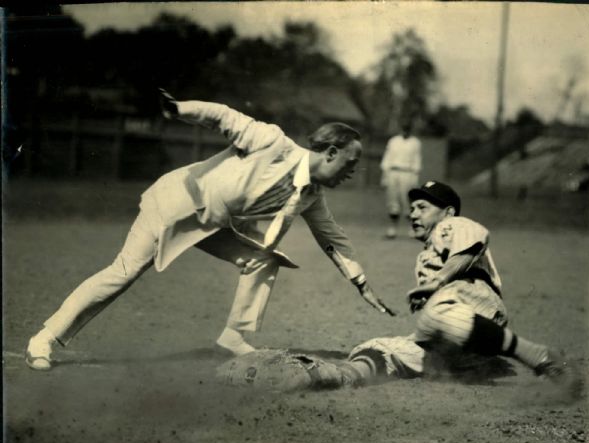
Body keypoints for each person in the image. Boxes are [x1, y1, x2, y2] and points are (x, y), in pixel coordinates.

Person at [25, 89, 395, 371]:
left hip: (212, 223)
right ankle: (46, 338)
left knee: (263, 259)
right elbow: (223, 117)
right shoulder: (273, 143)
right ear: (330, 152)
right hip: (174, 204)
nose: (353, 171)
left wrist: (361, 284)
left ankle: (234, 337)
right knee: (122, 273)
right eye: (351, 161)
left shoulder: (312, 195)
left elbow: (333, 239)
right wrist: (179, 110)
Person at [219, 181, 581, 398]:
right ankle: (324, 375)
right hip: (451, 343)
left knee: (438, 313)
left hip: (476, 308)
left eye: (422, 207)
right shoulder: (427, 251)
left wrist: (438, 283)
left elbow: (472, 247)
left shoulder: (454, 225)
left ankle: (540, 356)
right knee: (379, 348)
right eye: (411, 208)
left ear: (447, 210)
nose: (413, 213)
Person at [380, 121, 422, 239]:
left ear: (410, 129)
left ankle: (412, 229)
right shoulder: (393, 141)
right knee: (392, 201)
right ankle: (392, 229)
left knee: (407, 201)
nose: (405, 131)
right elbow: (387, 158)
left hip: (407, 173)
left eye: (407, 129)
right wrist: (384, 176)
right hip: (393, 172)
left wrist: (415, 177)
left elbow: (416, 160)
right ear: (400, 129)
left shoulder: (415, 142)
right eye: (404, 128)